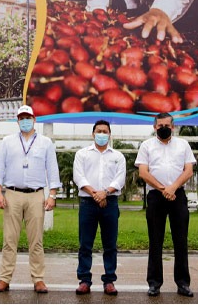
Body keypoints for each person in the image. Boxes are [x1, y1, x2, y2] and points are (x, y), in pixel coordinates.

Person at [0, 105, 61, 294]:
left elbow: (53, 171)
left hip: (36, 195)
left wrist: (51, 195)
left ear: (34, 119)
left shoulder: (45, 142)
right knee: (9, 239)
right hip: (12, 194)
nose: (25, 121)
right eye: (21, 118)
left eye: (28, 117)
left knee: (36, 240)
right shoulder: (7, 141)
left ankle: (38, 279)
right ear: (17, 120)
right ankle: (5, 278)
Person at [135, 112, 195, 298]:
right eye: (160, 126)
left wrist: (173, 188)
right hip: (155, 196)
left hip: (178, 196)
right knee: (155, 241)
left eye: (167, 125)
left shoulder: (183, 144)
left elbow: (189, 170)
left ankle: (183, 284)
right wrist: (163, 189)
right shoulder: (146, 145)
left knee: (181, 241)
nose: (163, 128)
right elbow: (143, 173)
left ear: (173, 126)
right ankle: (154, 284)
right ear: (154, 127)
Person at [72, 119, 125, 296]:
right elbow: (78, 177)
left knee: (110, 245)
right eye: (99, 131)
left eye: (105, 131)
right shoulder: (82, 154)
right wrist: (96, 194)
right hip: (88, 203)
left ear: (110, 134)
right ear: (92, 134)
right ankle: (84, 280)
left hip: (110, 203)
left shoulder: (118, 156)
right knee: (85, 244)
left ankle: (109, 280)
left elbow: (120, 179)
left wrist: (105, 193)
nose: (102, 134)